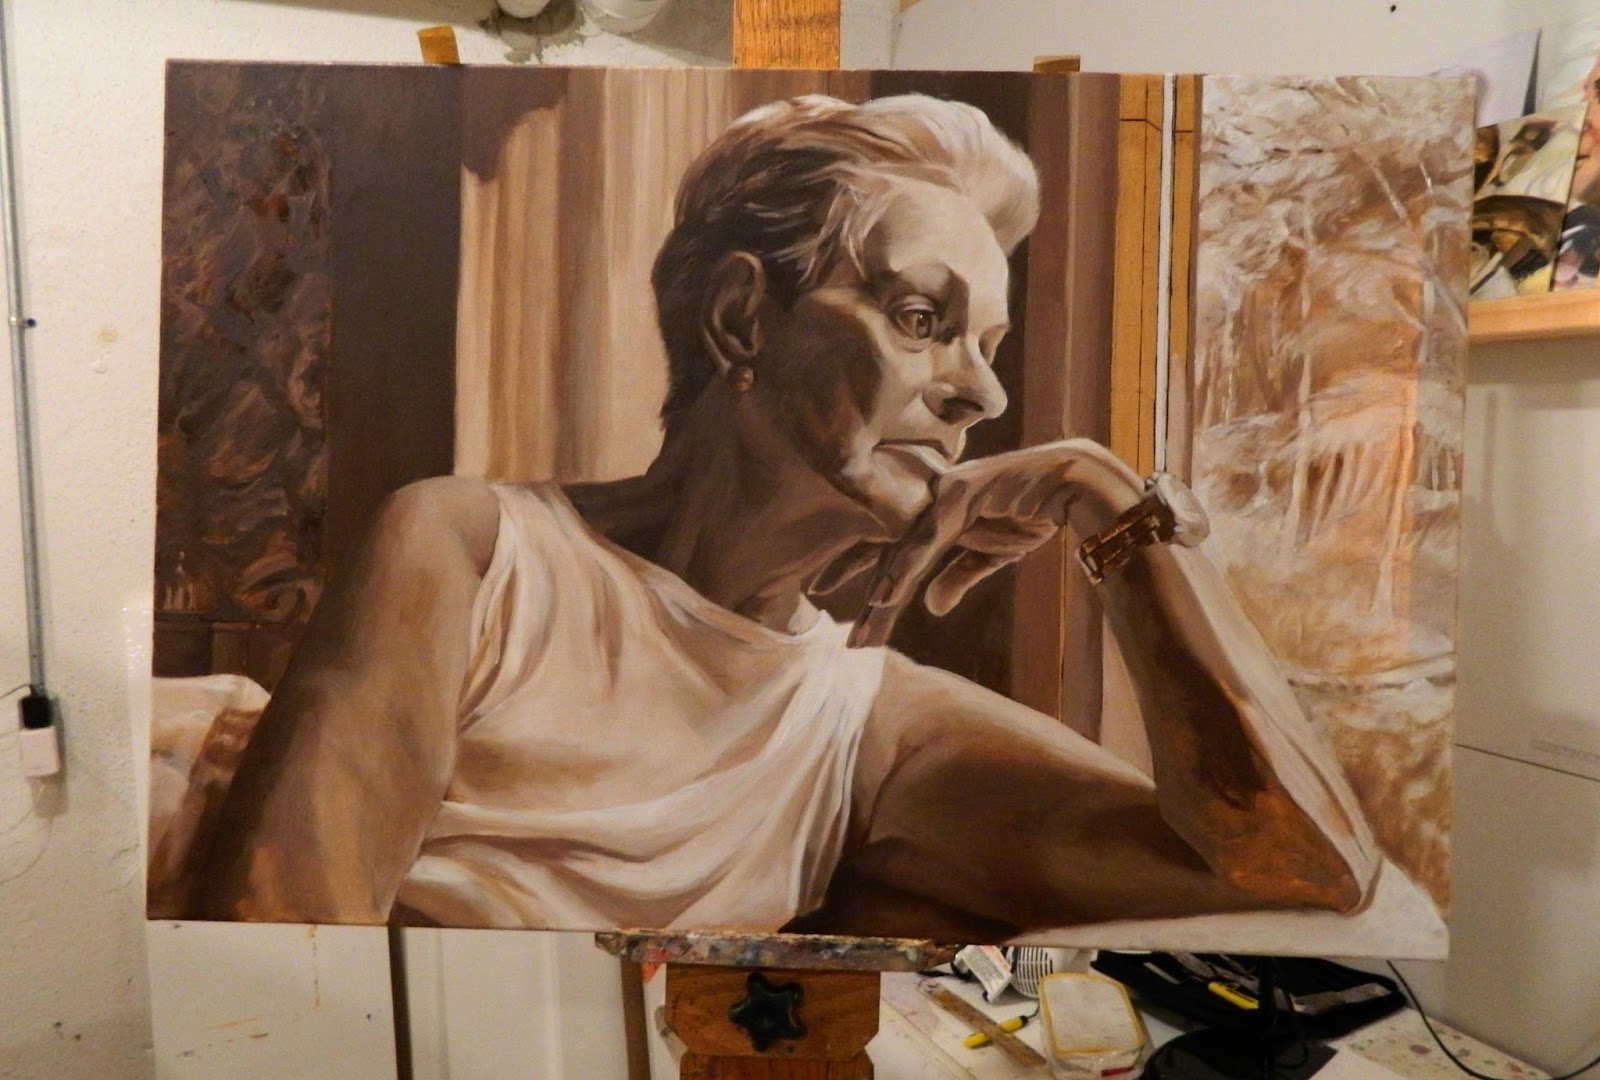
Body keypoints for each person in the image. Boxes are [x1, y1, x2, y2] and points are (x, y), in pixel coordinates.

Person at [194, 93, 1378, 939]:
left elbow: (1300, 871)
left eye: (988, 344)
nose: (983, 396)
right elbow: (281, 951)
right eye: (921, 319)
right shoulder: (470, 551)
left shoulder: (868, 721)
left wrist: (1113, 504)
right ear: (740, 320)